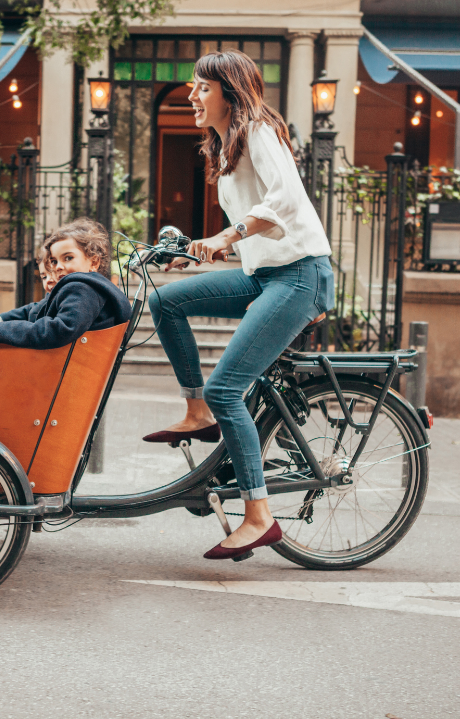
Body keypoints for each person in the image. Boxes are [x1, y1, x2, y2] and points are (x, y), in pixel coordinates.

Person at [143, 51, 334, 561]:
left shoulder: (259, 132)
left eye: (201, 88)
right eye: (191, 88)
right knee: (165, 302)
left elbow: (287, 200)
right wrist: (196, 251)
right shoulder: (225, 146)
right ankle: (195, 407)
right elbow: (253, 229)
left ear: (229, 90)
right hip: (263, 274)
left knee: (229, 385)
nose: (191, 96)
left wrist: (229, 234)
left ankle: (258, 515)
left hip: (299, 276)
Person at [0, 218, 131, 350]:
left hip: (69, 368)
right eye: (54, 261)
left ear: (94, 262)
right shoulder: (76, 288)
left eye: (68, 258)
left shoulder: (83, 290)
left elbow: (58, 330)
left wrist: (2, 330)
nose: (58, 266)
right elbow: (35, 309)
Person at [0, 246, 58, 330]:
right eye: (44, 277)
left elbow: (40, 330)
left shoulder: (66, 302)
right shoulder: (50, 299)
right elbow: (29, 310)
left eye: (54, 273)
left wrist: (0, 329)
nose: (48, 280)